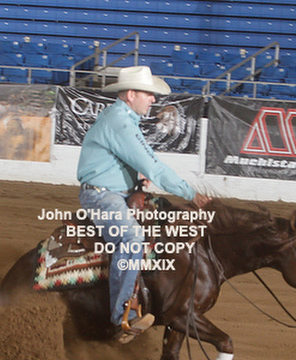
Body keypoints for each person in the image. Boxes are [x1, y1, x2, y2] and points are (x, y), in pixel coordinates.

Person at [77, 65, 211, 343]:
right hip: (103, 197)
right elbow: (153, 166)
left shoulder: (121, 119)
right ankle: (122, 316)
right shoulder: (120, 122)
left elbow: (133, 162)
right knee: (131, 238)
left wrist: (136, 180)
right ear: (130, 94)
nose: (153, 99)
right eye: (147, 94)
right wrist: (191, 194)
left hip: (115, 192)